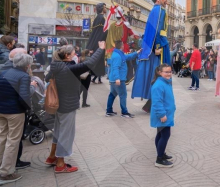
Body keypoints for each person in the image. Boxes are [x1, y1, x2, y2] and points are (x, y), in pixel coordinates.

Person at [44, 42, 105, 173]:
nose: (75, 55)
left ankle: (52, 157)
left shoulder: (55, 66)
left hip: (57, 104)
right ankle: (60, 164)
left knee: (59, 132)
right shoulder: (69, 68)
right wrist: (100, 49)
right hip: (67, 105)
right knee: (66, 134)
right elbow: (90, 64)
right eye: (73, 53)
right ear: (67, 56)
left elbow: (48, 78)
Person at [132, 0, 171, 106]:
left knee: (158, 74)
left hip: (157, 46)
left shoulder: (154, 10)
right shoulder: (160, 10)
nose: (167, 0)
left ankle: (153, 103)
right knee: (162, 74)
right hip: (160, 46)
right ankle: (156, 103)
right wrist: (157, 47)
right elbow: (157, 30)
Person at [0, 53, 32, 185]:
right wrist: (28, 109)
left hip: (1, 110)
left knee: (2, 137)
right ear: (27, 65)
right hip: (15, 112)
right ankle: (6, 172)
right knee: (13, 141)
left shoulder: (3, 72)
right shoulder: (24, 76)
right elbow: (23, 97)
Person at [150, 64, 176, 168]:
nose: (168, 73)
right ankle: (159, 159)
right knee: (165, 135)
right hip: (163, 115)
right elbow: (157, 102)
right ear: (160, 73)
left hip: (166, 114)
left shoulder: (165, 82)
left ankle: (161, 153)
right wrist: (162, 114)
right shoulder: (159, 85)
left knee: (161, 135)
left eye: (170, 71)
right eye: (166, 72)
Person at [106, 40, 140, 118]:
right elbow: (115, 68)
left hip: (113, 79)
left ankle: (109, 111)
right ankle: (124, 112)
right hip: (119, 79)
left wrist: (137, 52)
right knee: (123, 95)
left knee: (112, 94)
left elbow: (127, 57)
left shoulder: (118, 54)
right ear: (122, 46)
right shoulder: (117, 56)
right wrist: (117, 78)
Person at [86, 2, 108, 80]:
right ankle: (95, 76)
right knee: (97, 60)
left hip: (96, 42)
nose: (106, 8)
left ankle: (95, 77)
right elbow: (100, 32)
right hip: (99, 43)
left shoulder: (97, 18)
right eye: (105, 7)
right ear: (102, 8)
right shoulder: (101, 18)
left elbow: (95, 32)